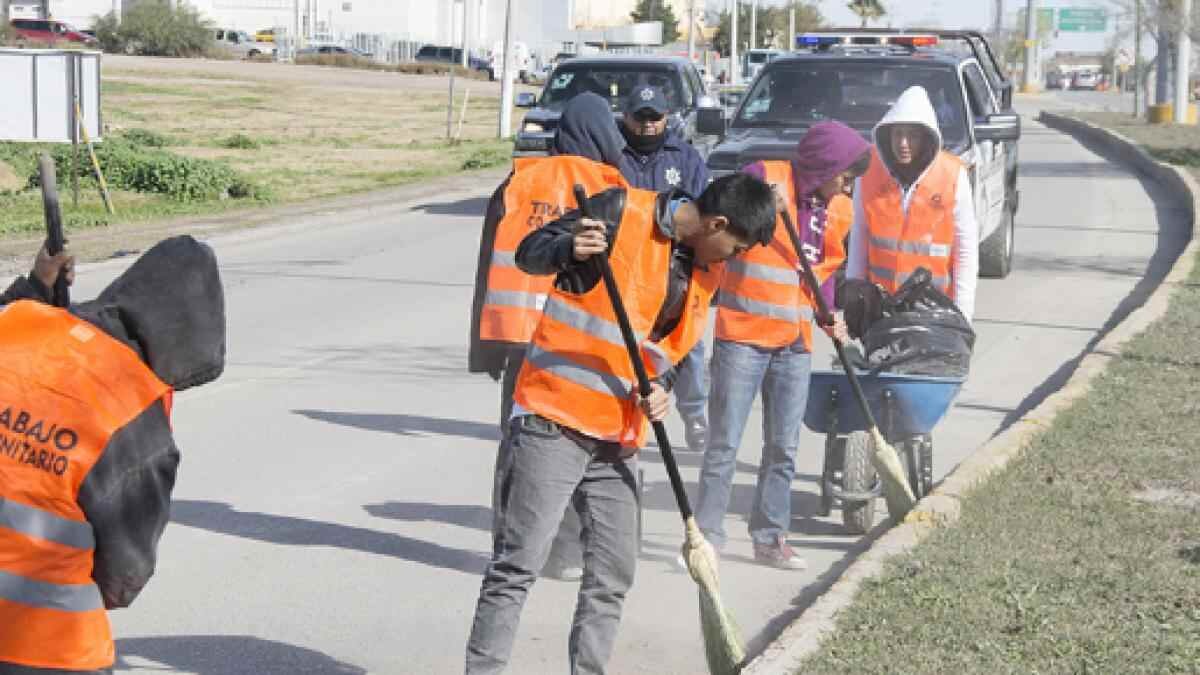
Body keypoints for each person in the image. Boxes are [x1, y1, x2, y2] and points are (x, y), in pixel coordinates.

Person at [464, 173, 778, 675]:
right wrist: (570, 247)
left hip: (619, 439)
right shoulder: (619, 211)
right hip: (554, 418)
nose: (733, 259)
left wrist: (663, 389)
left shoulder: (706, 273)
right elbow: (528, 253)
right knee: (517, 566)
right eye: (735, 247)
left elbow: (666, 352)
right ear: (716, 223)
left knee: (612, 574)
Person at [0, 235, 225, 675]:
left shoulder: (18, 325)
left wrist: (36, 287)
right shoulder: (133, 414)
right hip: (45, 646)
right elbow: (124, 576)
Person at [693, 121, 870, 570]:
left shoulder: (841, 208)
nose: (847, 184)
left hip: (794, 343)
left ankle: (770, 537)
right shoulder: (764, 176)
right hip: (743, 338)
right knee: (724, 443)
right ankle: (706, 537)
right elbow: (714, 218)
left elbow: (824, 271)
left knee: (783, 448)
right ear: (824, 164)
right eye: (845, 173)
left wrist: (832, 315)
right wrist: (755, 202)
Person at [469, 92, 631, 582]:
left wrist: (486, 348)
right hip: (577, 339)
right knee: (573, 443)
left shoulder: (518, 181)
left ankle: (511, 547)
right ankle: (564, 552)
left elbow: (487, 266)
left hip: (517, 336)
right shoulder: (613, 186)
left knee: (517, 447)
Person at [618, 84, 712, 453]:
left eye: (654, 118)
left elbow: (703, 213)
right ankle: (629, 411)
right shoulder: (614, 156)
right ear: (627, 118)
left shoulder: (684, 158)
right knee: (630, 344)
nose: (647, 126)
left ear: (666, 118)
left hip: (674, 269)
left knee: (688, 345)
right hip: (628, 271)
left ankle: (694, 413)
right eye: (639, 118)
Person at [846, 85, 979, 324]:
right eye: (897, 134)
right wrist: (854, 293)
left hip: (934, 309)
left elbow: (965, 249)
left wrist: (963, 314)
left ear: (926, 138)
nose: (903, 143)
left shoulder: (952, 174)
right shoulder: (869, 171)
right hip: (881, 307)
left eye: (912, 136)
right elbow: (859, 234)